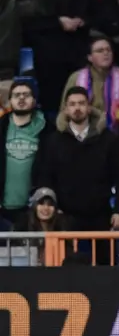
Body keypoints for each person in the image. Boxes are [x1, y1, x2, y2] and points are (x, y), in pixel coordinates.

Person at [39, 86, 119, 233]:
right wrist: (53, 208)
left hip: (101, 217)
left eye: (81, 103)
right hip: (64, 218)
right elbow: (45, 177)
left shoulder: (108, 139)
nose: (77, 108)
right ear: (65, 109)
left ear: (89, 108)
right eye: (72, 104)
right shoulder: (53, 141)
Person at [0, 80, 53, 226]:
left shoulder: (47, 128)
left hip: (34, 209)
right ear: (10, 100)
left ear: (34, 100)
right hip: (3, 208)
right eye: (17, 95)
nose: (21, 98)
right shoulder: (2, 126)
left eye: (26, 95)